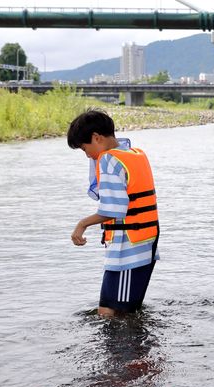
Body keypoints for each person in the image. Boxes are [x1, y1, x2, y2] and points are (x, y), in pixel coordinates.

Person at [67, 108, 159, 317]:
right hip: (144, 242)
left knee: (114, 313)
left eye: (84, 149)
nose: (87, 155)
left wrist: (82, 224)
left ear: (96, 138)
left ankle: (129, 350)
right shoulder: (134, 154)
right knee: (113, 312)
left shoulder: (108, 160)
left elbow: (114, 208)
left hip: (128, 250)